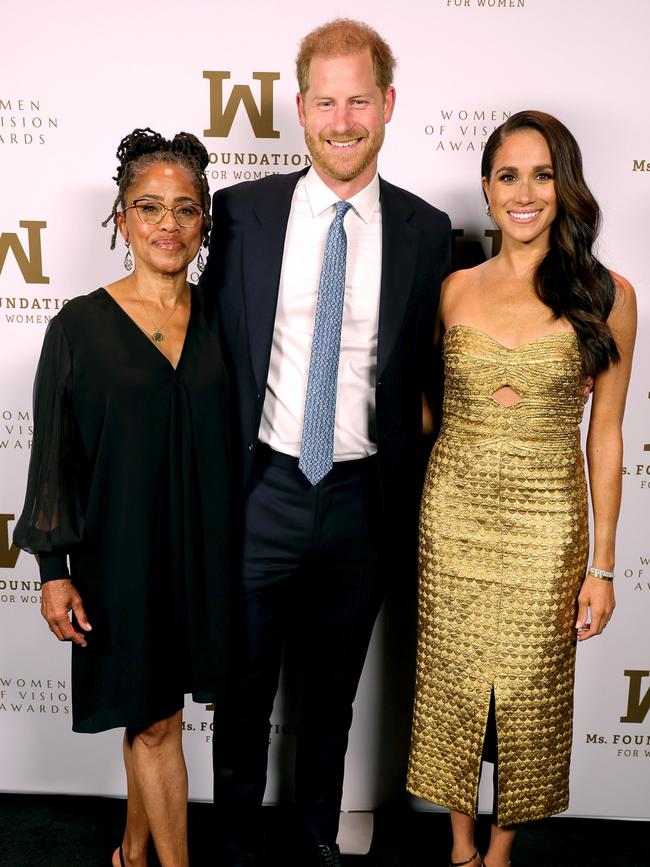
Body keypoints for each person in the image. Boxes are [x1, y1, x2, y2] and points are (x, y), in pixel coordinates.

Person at [199, 18, 451, 867]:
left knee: (333, 696)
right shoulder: (239, 215)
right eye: (325, 101)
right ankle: (232, 843)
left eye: (359, 100)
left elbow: (425, 373)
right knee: (242, 693)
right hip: (261, 488)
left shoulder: (426, 231)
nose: (342, 120)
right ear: (300, 110)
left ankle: (313, 840)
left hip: (360, 500)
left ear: (387, 105)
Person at [407, 110, 636, 867]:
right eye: (509, 175)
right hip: (454, 515)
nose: (525, 191)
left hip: (547, 523)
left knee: (531, 698)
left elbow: (605, 438)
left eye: (543, 174)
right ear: (486, 187)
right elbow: (429, 413)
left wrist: (602, 566)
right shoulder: (452, 289)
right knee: (451, 679)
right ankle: (459, 844)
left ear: (565, 188)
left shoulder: (607, 295)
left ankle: (499, 851)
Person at [13, 128, 235, 867]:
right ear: (121, 219)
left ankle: (132, 850)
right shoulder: (78, 325)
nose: (168, 225)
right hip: (118, 558)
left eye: (185, 209)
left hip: (205, 554)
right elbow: (53, 458)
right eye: (149, 208)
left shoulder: (223, 320)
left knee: (157, 715)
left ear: (204, 222)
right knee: (155, 725)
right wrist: (53, 568)